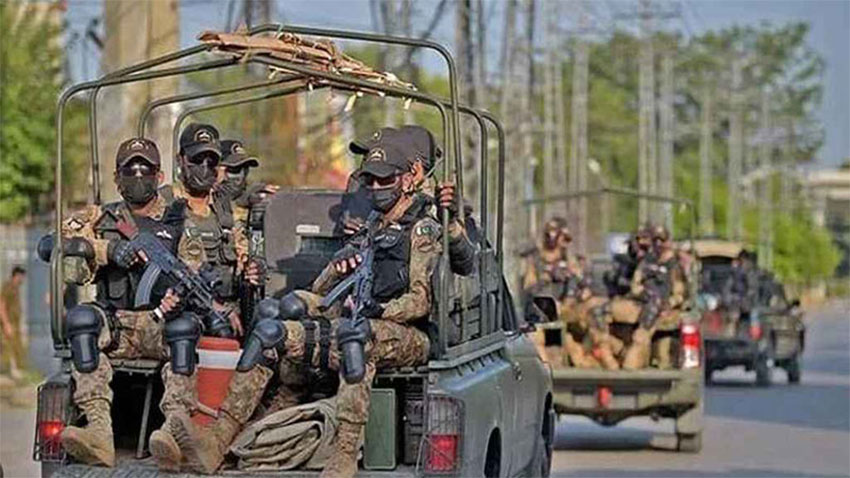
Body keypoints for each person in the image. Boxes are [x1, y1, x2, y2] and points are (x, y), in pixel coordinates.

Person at [172, 135, 440, 478]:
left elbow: (420, 301)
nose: (375, 187)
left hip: (406, 335)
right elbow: (321, 290)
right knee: (270, 329)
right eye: (370, 179)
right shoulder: (372, 225)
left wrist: (380, 310)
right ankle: (218, 438)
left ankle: (345, 453)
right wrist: (338, 267)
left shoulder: (421, 228)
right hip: (356, 319)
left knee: (353, 335)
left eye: (385, 179)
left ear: (406, 179)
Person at [44, 138, 205, 468]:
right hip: (116, 325)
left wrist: (178, 297)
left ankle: (174, 431)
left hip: (159, 326)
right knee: (81, 320)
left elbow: (194, 270)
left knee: (185, 327)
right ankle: (99, 433)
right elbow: (50, 245)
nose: (138, 176)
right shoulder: (100, 217)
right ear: (117, 178)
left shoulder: (179, 221)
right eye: (129, 171)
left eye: (145, 169)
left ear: (159, 176)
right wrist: (108, 250)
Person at [149, 125, 265, 470]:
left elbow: (241, 254)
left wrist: (250, 272)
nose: (204, 168)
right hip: (175, 311)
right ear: (181, 160)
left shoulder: (224, 210)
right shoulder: (162, 204)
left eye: (212, 162)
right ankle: (182, 429)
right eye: (197, 160)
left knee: (266, 329)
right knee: (195, 328)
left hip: (225, 309)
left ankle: (224, 434)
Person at [346, 125, 478, 276]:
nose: (369, 166)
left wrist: (450, 223)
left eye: (383, 172)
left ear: (414, 172)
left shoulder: (437, 211)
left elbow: (466, 265)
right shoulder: (377, 208)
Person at [521, 218, 601, 368]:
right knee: (536, 337)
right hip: (542, 310)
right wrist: (545, 279)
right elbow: (528, 288)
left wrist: (576, 277)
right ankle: (547, 368)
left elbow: (584, 286)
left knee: (592, 317)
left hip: (568, 311)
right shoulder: (535, 260)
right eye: (551, 235)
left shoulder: (569, 259)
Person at [620, 225, 686, 370]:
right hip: (641, 302)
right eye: (655, 240)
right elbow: (635, 284)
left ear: (668, 241)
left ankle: (629, 368)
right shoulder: (647, 261)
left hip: (660, 307)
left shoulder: (674, 265)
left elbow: (679, 294)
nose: (658, 244)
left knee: (640, 337)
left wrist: (668, 304)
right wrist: (641, 293)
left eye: (662, 240)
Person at [0, 266, 27, 380]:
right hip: (8, 323)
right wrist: (6, 324)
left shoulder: (16, 288)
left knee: (16, 347)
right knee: (7, 348)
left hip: (15, 323)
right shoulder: (7, 287)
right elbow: (2, 305)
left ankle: (14, 371)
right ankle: (7, 373)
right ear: (16, 275)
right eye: (21, 277)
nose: (23, 280)